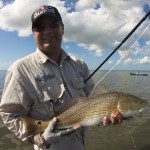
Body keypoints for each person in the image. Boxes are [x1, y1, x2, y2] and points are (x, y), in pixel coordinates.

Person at [0, 5, 127, 150]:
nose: (47, 31)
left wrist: (106, 117)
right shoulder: (19, 70)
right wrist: (40, 139)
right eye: (39, 27)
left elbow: (94, 104)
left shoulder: (80, 65)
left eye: (53, 24)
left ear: (62, 28)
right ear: (33, 32)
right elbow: (9, 115)